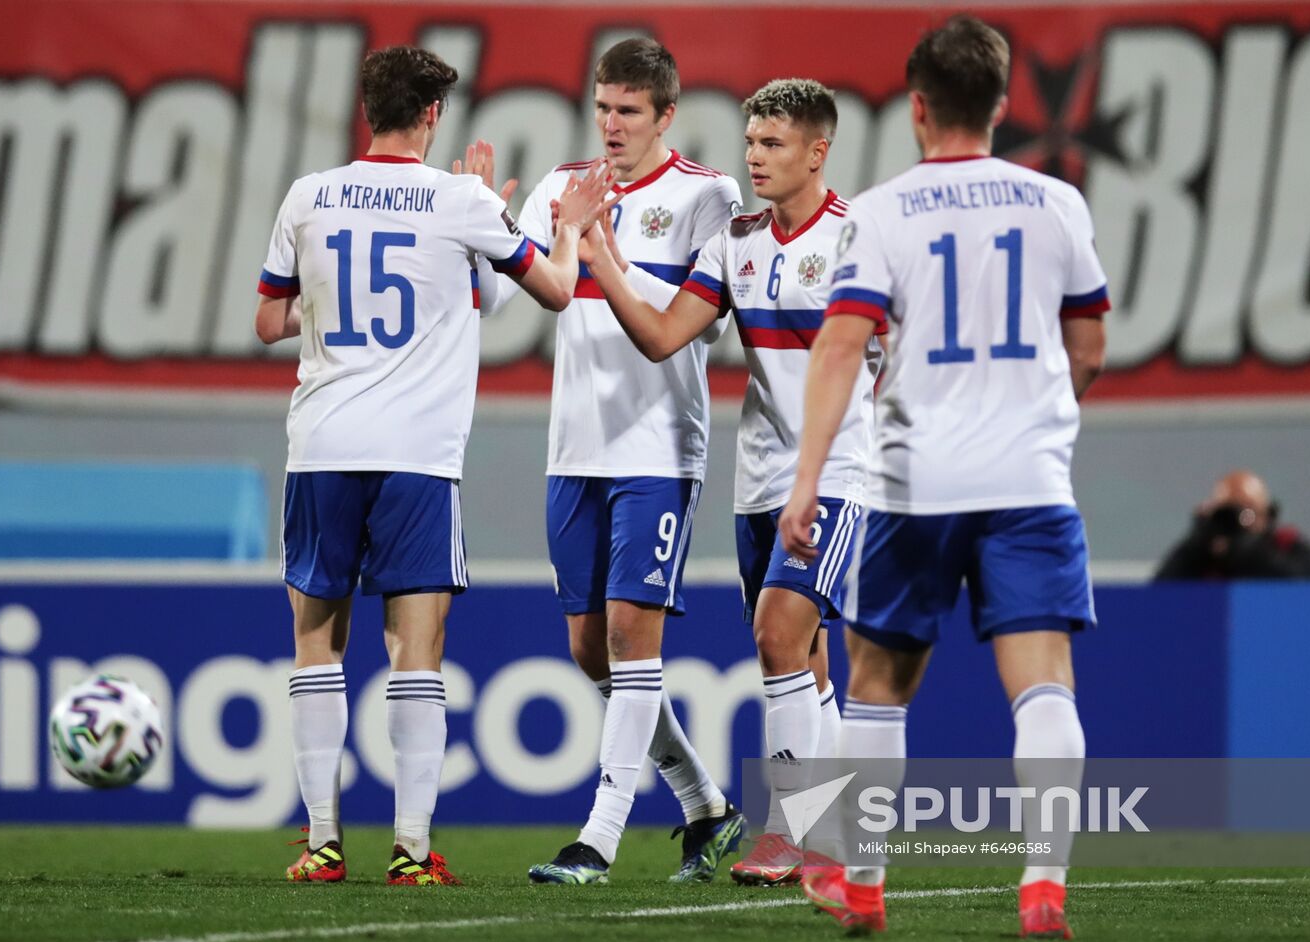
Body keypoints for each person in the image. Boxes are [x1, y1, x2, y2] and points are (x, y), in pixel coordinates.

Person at [778, 16, 1109, 938]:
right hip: (1029, 481)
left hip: (913, 484)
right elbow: (1089, 342)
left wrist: (808, 480)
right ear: (1001, 105)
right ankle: (1043, 886)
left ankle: (866, 885)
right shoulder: (1057, 204)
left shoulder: (882, 212)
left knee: (877, 682)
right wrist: (1042, 415)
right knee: (1043, 684)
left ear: (917, 107)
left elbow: (842, 346)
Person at [254, 44, 613, 886]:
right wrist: (557, 229)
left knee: (317, 641)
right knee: (415, 649)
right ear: (431, 117)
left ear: (366, 111)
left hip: (322, 447)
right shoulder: (458, 199)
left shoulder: (309, 196)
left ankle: (321, 843)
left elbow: (269, 321)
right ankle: (411, 852)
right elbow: (557, 291)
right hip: (416, 458)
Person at [577, 78, 881, 886]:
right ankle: (833, 838)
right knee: (803, 660)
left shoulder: (859, 242)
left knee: (778, 635)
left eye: (774, 145)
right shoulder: (736, 241)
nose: (755, 158)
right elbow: (664, 336)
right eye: (750, 143)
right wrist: (601, 258)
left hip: (842, 472)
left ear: (819, 152)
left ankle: (786, 834)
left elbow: (905, 358)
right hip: (759, 482)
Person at [477, 38, 746, 885]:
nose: (612, 125)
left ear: (667, 114)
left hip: (659, 446)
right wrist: (487, 222)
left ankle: (597, 838)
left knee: (634, 638)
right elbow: (499, 296)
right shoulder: (564, 187)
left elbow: (679, 324)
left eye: (629, 111)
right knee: (590, 650)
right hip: (574, 447)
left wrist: (601, 252)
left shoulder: (710, 197)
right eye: (603, 108)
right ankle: (708, 806)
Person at [1154, 470, 1310, 580]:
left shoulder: (1290, 547)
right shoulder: (1203, 551)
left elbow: (1306, 591)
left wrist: (1250, 549)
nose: (1240, 518)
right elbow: (1162, 592)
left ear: (1266, 512)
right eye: (1230, 510)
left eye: (1248, 510)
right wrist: (1198, 540)